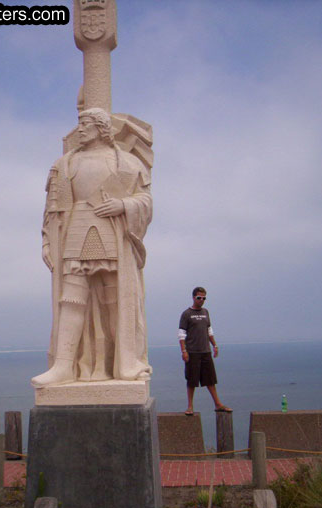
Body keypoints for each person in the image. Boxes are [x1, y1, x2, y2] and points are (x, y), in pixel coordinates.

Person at [31, 107, 153, 387]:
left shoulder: (126, 163)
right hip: (76, 231)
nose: (81, 129)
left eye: (86, 124)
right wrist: (48, 241)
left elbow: (145, 200)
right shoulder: (65, 164)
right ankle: (63, 366)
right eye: (80, 123)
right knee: (70, 300)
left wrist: (124, 205)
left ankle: (124, 361)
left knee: (116, 299)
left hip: (112, 233)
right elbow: (52, 209)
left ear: (101, 127)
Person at [179, 287, 231, 416]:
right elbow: (181, 334)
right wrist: (184, 351)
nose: (201, 300)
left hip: (205, 351)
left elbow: (209, 331)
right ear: (193, 297)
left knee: (210, 380)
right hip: (192, 352)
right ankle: (190, 406)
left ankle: (218, 404)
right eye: (199, 298)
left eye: (204, 298)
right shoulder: (186, 314)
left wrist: (215, 345)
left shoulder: (206, 312)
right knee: (192, 381)